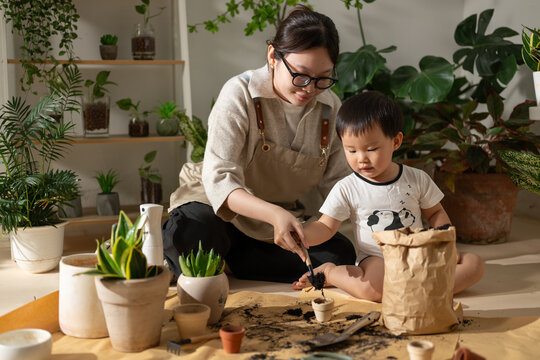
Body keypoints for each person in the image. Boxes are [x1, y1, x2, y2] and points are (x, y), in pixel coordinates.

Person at [162, 5, 356, 283]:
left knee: (340, 256)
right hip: (219, 210)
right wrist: (273, 213)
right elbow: (219, 178)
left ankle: (228, 261)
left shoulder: (329, 108)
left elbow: (339, 186)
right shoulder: (239, 93)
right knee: (195, 232)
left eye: (323, 78)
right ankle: (204, 251)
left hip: (277, 226)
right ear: (273, 57)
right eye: (300, 75)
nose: (309, 88)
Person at [292, 91, 485, 301]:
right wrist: (302, 235)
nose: (362, 159)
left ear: (395, 141)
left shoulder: (417, 178)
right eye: (351, 151)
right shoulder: (347, 187)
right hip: (377, 259)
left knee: (474, 265)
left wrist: (446, 244)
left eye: (371, 149)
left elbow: (436, 212)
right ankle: (330, 272)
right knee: (373, 290)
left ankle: (412, 288)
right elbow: (326, 226)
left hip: (417, 252)